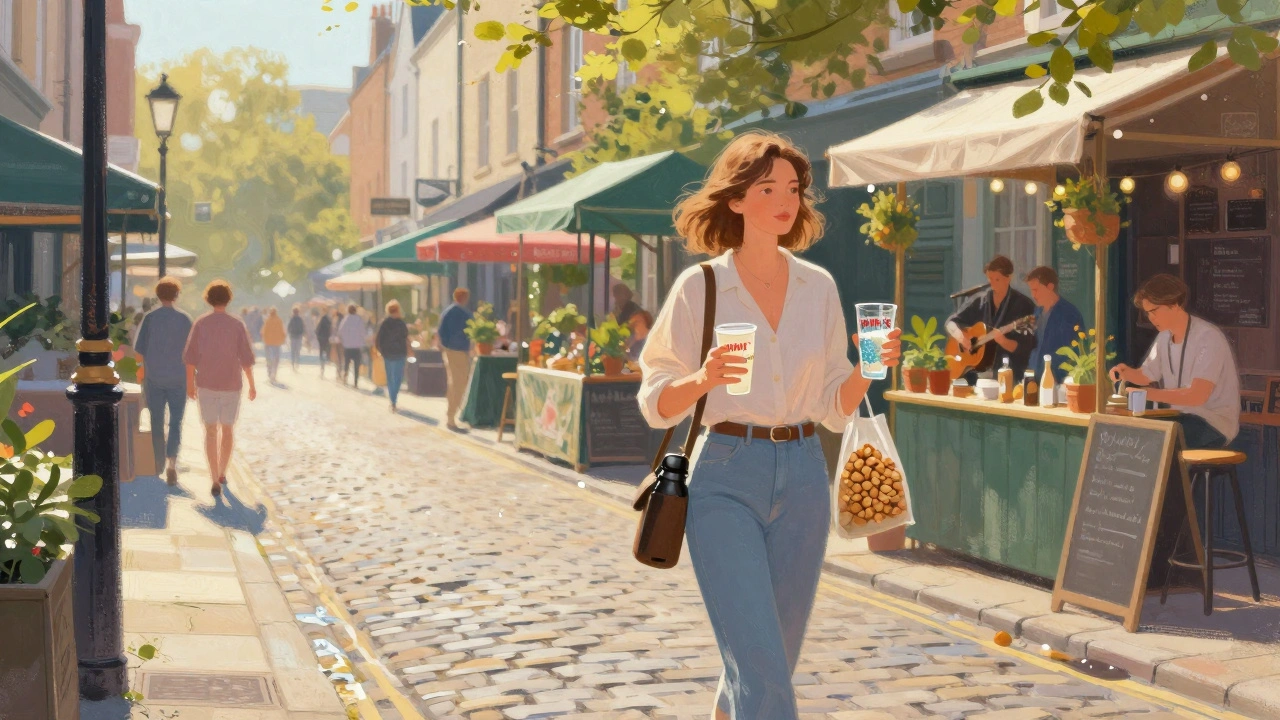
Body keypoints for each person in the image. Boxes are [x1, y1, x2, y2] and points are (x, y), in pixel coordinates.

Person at [638, 131, 900, 720]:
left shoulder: (818, 287)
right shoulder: (701, 287)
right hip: (725, 476)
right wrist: (703, 377)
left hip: (805, 474)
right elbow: (657, 403)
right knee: (762, 666)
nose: (785, 200)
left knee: (770, 657)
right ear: (735, 200)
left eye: (793, 189)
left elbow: (833, 406)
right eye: (767, 188)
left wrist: (868, 368)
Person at [1110, 274, 1240, 449]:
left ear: (1174, 304)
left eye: (1154, 311)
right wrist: (1126, 373)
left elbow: (1197, 396)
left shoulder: (1208, 337)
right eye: (1147, 313)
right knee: (1133, 435)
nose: (1150, 318)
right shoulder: (1164, 337)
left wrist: (1147, 394)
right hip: (1180, 417)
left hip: (1213, 423)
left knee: (1151, 443)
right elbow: (1146, 375)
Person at [183, 280, 256, 497]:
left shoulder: (201, 323)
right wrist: (252, 385)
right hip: (231, 384)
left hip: (206, 383)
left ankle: (214, 477)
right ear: (228, 299)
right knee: (228, 429)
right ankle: (223, 471)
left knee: (210, 431)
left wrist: (189, 384)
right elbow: (246, 359)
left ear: (208, 299)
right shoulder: (236, 324)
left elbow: (190, 358)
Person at [133, 277, 193, 486]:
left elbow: (139, 350)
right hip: (178, 379)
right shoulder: (185, 319)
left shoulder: (150, 318)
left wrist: (142, 371)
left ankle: (158, 463)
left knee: (156, 422)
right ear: (176, 295)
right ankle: (172, 464)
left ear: (158, 295)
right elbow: (192, 354)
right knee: (176, 423)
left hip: (154, 379)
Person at [945, 255, 1037, 383]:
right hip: (974, 376)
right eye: (990, 279)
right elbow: (951, 323)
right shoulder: (979, 301)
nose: (992, 284)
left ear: (1008, 278)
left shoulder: (1023, 305)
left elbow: (1025, 348)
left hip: (1009, 375)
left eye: (997, 279)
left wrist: (1003, 340)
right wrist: (961, 338)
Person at [1025, 266, 1085, 383]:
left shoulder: (1069, 314)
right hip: (1035, 380)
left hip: (1058, 382)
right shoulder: (1037, 313)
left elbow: (1072, 353)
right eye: (1031, 290)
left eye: (1036, 290)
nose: (1033, 295)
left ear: (1050, 287)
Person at [437, 288, 474, 432]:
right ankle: (451, 416)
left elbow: (441, 331)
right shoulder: (464, 313)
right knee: (460, 383)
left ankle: (451, 415)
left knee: (453, 382)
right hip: (459, 350)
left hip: (449, 350)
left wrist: (444, 345)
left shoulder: (447, 312)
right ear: (464, 298)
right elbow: (471, 331)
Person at [376, 300, 411, 412]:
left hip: (388, 354)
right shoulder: (401, 323)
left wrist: (381, 351)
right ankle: (393, 398)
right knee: (398, 377)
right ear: (398, 310)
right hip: (400, 353)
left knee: (390, 377)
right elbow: (406, 337)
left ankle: (393, 400)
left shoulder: (384, 323)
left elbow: (379, 339)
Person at [338, 304, 367, 388]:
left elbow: (340, 331)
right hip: (357, 346)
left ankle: (345, 377)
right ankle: (355, 382)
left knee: (346, 363)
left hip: (347, 346)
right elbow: (363, 332)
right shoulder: (359, 320)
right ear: (355, 311)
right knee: (356, 365)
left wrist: (344, 339)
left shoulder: (345, 319)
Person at [261, 307, 286, 383]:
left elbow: (263, 332)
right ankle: (274, 374)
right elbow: (283, 331)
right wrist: (283, 339)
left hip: (268, 342)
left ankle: (269, 372)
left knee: (269, 358)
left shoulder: (267, 320)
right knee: (276, 359)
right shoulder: (279, 320)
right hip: (277, 343)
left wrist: (264, 339)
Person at [315, 307, 333, 378]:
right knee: (325, 352)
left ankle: (322, 368)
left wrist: (317, 335)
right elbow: (331, 329)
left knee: (321, 353)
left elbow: (318, 329)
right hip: (327, 339)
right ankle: (323, 366)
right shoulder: (329, 319)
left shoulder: (322, 319)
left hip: (321, 339)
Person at [287, 306, 306, 371]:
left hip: (293, 337)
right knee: (297, 351)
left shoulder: (292, 319)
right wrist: (302, 334)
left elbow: (288, 328)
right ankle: (297, 363)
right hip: (299, 337)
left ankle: (293, 363)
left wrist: (290, 333)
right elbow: (303, 328)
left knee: (293, 351)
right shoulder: (300, 319)